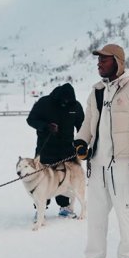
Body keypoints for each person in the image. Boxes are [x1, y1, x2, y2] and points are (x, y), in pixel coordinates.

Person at [72, 43, 129, 258]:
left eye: (104, 60)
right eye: (98, 60)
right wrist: (81, 141)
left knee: (126, 215)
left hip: (125, 165)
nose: (99, 64)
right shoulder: (97, 91)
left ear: (117, 61)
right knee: (96, 215)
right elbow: (88, 123)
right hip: (98, 165)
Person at [26, 82, 84, 218]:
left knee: (65, 180)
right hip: (45, 149)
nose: (65, 103)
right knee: (42, 179)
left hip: (67, 150)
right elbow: (31, 120)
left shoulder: (75, 106)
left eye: (68, 102)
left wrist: (82, 144)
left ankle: (65, 207)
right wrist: (46, 126)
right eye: (63, 101)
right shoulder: (44, 103)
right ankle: (40, 209)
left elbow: (82, 126)